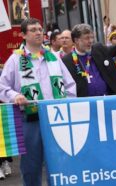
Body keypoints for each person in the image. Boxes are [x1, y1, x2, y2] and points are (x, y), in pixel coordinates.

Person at [0, 18, 76, 186]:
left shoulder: (54, 58)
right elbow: (2, 86)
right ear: (23, 35)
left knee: (58, 163)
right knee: (31, 167)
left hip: (56, 118)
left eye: (40, 29)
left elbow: (70, 85)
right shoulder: (15, 60)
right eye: (33, 29)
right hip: (29, 120)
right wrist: (14, 96)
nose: (38, 32)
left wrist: (68, 104)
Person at [62, 20, 116, 97]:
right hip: (86, 107)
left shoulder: (98, 49)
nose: (90, 41)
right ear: (76, 40)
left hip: (108, 102)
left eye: (92, 37)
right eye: (86, 38)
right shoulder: (67, 61)